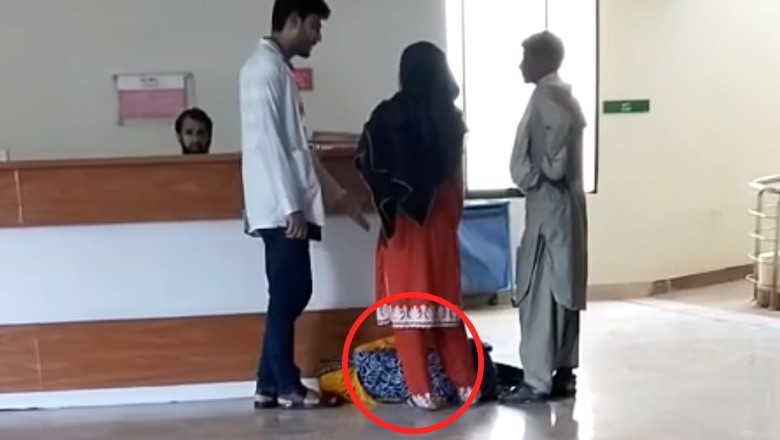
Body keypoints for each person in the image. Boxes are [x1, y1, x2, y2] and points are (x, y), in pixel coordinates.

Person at [239, 0, 370, 410]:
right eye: (314, 26)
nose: (318, 36)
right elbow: (270, 145)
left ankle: (268, 384)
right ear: (292, 21)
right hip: (281, 207)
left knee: (288, 291)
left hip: (286, 202)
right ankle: (287, 385)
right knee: (292, 291)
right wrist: (288, 207)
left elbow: (298, 147)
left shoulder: (277, 69)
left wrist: (337, 194)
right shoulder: (262, 71)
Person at [355, 41, 476, 411]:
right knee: (445, 309)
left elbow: (368, 162)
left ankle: (421, 391)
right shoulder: (450, 118)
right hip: (440, 227)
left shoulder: (387, 116)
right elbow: (456, 184)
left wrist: (392, 205)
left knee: (408, 311)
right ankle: (466, 385)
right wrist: (448, 219)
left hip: (404, 231)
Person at [500, 31, 588, 405]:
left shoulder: (545, 99)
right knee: (565, 291)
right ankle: (564, 372)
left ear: (542, 60)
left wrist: (533, 179)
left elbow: (543, 165)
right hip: (569, 210)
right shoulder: (567, 99)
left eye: (526, 58)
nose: (521, 65)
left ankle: (536, 380)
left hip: (547, 209)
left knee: (539, 295)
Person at [317, 337, 524, 407]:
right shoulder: (363, 357)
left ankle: (501, 379)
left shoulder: (367, 394)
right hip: (461, 363)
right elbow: (397, 341)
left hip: (457, 386)